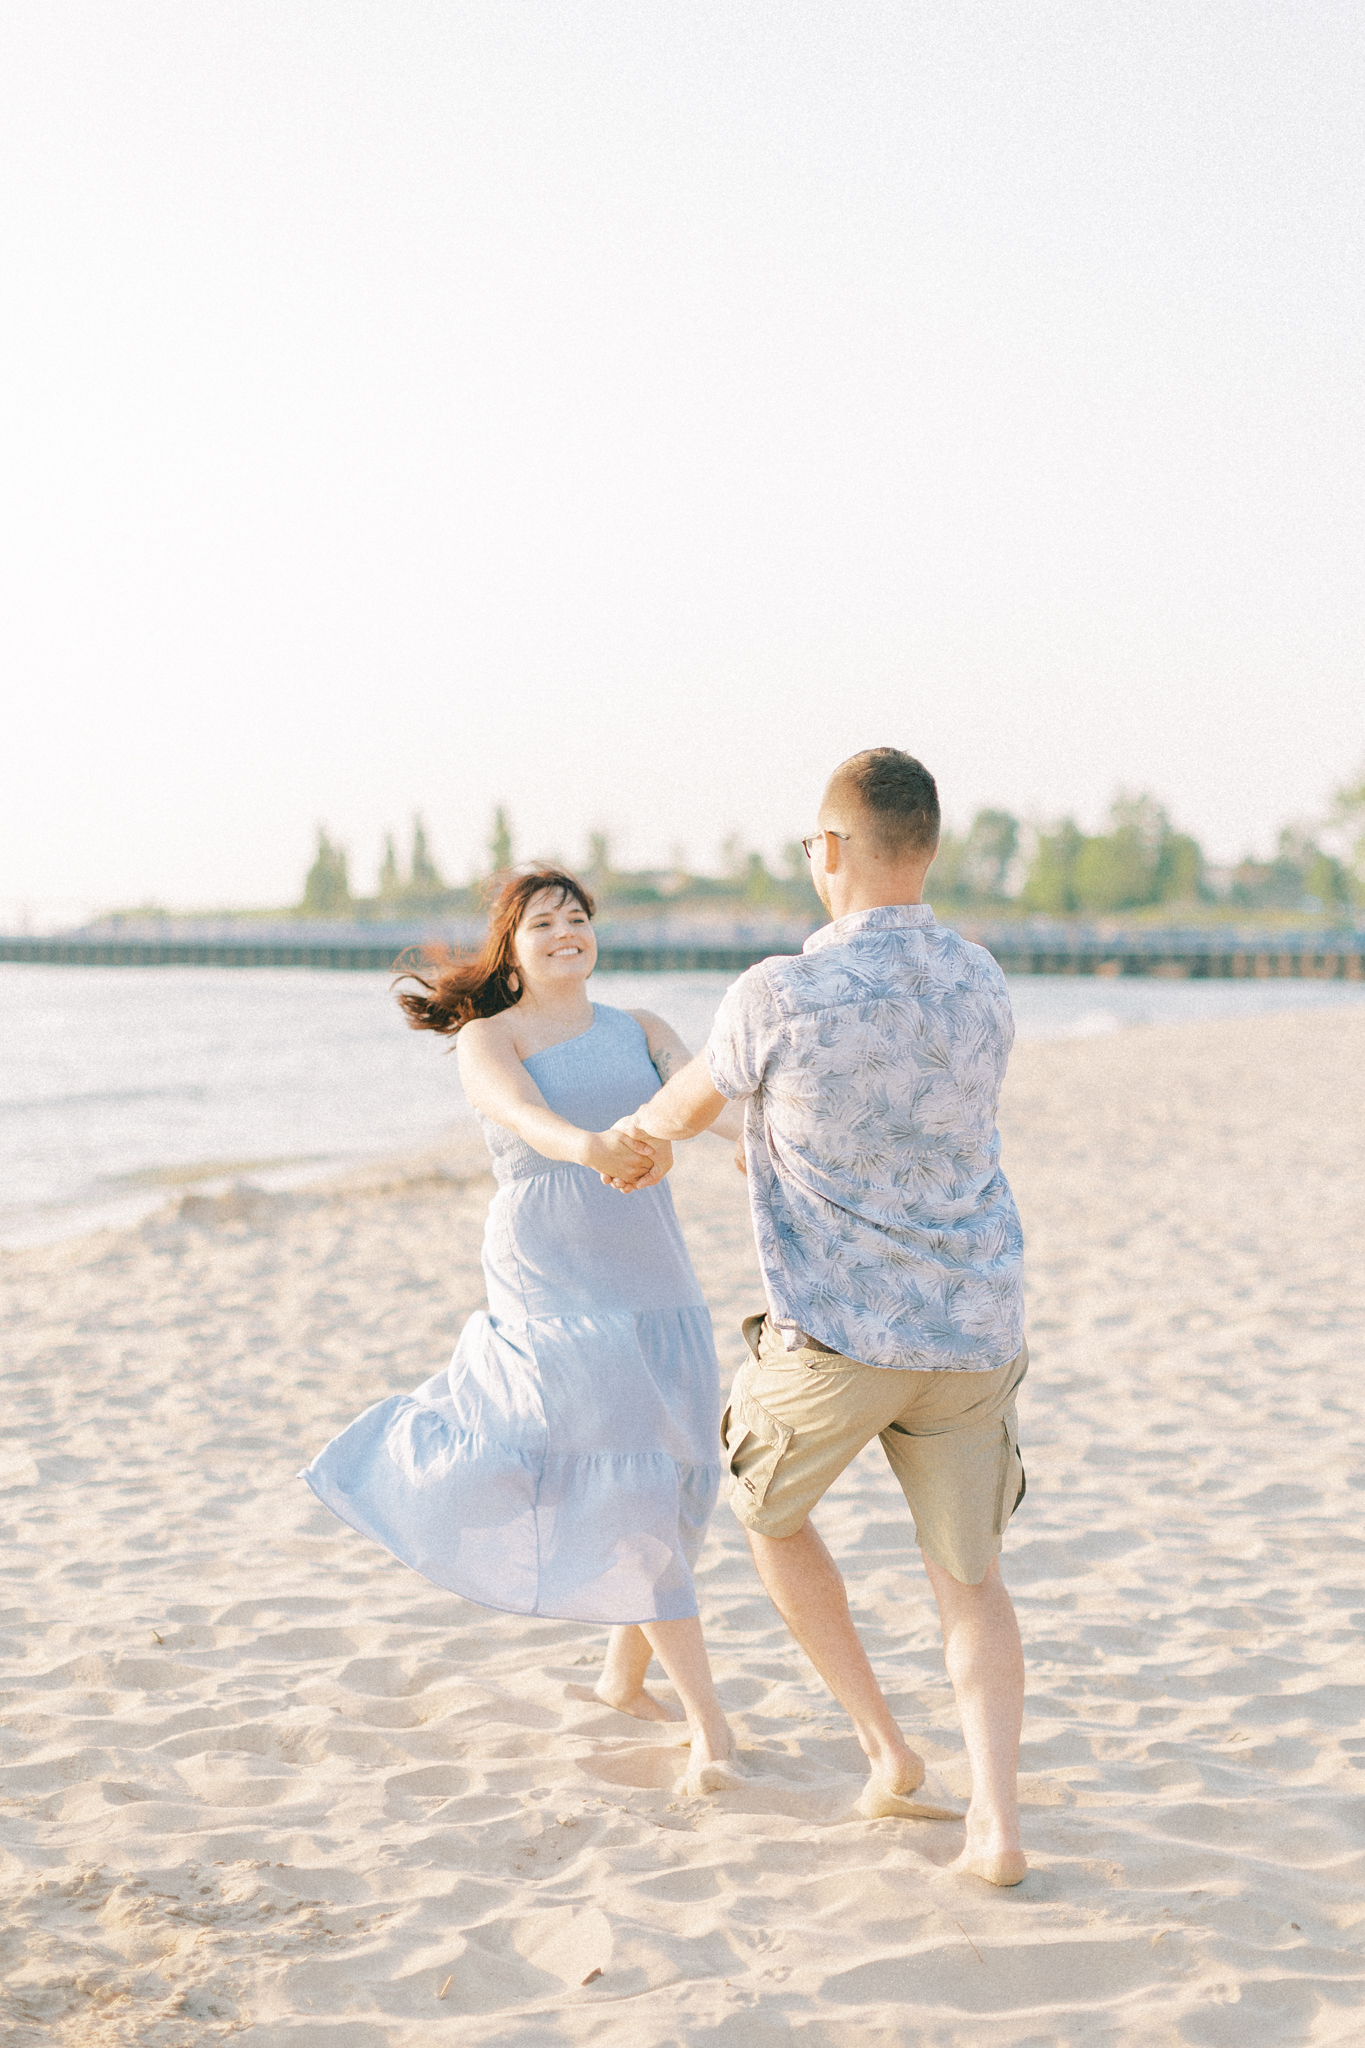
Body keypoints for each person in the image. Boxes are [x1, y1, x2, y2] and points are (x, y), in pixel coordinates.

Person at [613, 750, 1030, 1883]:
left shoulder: (777, 991)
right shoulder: (983, 980)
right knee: (971, 1582)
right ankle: (994, 1824)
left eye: (810, 843)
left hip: (839, 1337)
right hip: (972, 1327)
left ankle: (888, 1749)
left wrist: (631, 1131)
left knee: (760, 1507)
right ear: (928, 846)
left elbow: (682, 1103)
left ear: (833, 849)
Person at [300, 867, 743, 1794]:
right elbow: (526, 1119)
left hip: (653, 1272)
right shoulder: (487, 1036)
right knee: (629, 1473)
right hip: (553, 1277)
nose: (565, 931)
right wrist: (592, 1146)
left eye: (577, 917)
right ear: (513, 945)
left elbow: (711, 1111)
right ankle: (712, 1726)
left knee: (680, 1473)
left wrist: (755, 1152)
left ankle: (624, 1682)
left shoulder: (644, 1029)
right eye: (543, 922)